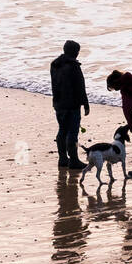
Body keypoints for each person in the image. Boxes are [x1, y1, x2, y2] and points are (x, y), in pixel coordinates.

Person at [50, 40, 90, 168]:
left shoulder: (55, 64)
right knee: (72, 133)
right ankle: (73, 160)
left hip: (59, 103)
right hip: (72, 104)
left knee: (62, 130)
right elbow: (80, 87)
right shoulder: (73, 66)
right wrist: (85, 103)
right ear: (75, 52)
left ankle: (62, 159)